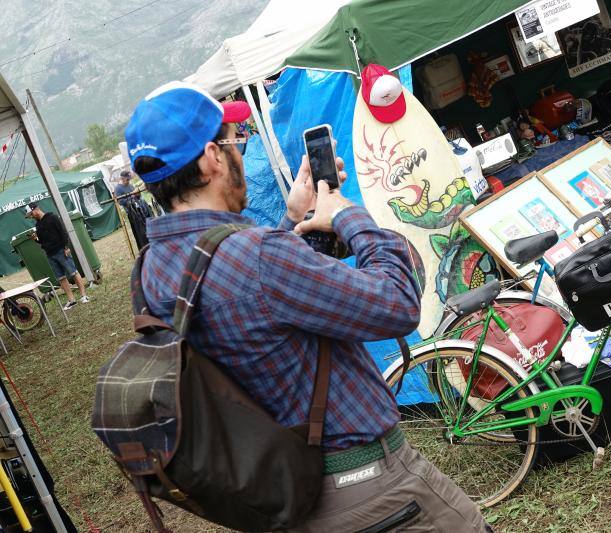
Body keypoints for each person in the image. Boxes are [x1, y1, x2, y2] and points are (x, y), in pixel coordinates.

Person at [125, 81, 490, 532]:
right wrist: (346, 214)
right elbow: (397, 304)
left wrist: (293, 220)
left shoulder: (150, 268)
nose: (240, 152)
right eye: (235, 141)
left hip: (281, 492)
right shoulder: (260, 255)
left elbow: (250, 309)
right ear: (211, 159)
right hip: (368, 490)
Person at [25, 203, 89, 310]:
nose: (31, 216)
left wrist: (66, 247)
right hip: (50, 255)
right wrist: (35, 239)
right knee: (61, 278)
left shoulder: (52, 218)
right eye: (30, 215)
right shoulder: (38, 225)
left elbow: (63, 232)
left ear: (36, 209)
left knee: (73, 272)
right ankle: (71, 300)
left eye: (31, 214)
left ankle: (84, 296)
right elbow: (42, 241)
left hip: (61, 251)